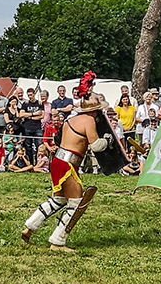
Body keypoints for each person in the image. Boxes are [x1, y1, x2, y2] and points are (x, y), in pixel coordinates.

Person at [21, 87, 113, 253]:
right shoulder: (89, 121)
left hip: (58, 162)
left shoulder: (71, 120)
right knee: (77, 203)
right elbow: (96, 146)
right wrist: (108, 140)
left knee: (59, 200)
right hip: (68, 164)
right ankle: (57, 241)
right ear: (95, 111)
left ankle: (30, 227)